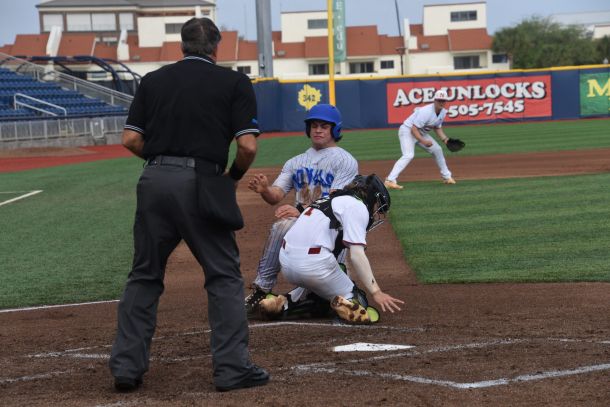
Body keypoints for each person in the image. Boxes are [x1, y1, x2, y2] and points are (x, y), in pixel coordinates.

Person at [109, 17, 268, 393]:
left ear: (181, 46)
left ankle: (126, 368)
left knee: (144, 275)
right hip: (201, 181)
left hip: (153, 180)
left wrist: (162, 161)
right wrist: (230, 177)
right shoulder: (233, 82)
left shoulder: (153, 80)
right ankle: (232, 369)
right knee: (223, 275)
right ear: (217, 46)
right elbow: (247, 146)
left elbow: (130, 139)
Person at [245, 103, 358, 316]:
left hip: (331, 227)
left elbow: (337, 201)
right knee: (283, 225)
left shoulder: (345, 161)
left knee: (327, 298)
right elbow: (276, 195)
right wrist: (265, 190)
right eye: (314, 126)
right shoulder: (295, 162)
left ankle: (313, 295)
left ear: (335, 129)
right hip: (303, 226)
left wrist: (301, 211)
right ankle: (261, 290)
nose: (318, 130)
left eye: (324, 126)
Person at [258, 174, 404, 324]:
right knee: (358, 301)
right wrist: (376, 292)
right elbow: (357, 255)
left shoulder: (329, 198)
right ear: (371, 197)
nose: (375, 211)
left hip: (287, 262)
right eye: (376, 206)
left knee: (333, 274)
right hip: (313, 265)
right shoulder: (357, 206)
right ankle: (343, 303)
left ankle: (281, 303)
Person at [384, 90, 456, 190]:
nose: (441, 102)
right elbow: (413, 129)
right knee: (408, 155)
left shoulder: (443, 112)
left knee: (437, 150)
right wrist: (423, 141)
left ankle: (447, 177)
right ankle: (390, 180)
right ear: (435, 100)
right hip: (407, 131)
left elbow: (437, 127)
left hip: (420, 132)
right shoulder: (426, 111)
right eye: (439, 100)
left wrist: (445, 140)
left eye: (443, 100)